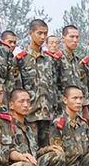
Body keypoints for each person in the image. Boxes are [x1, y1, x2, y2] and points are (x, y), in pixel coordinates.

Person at [8, 88, 65, 166]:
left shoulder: (28, 127)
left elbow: (33, 153)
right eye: (21, 101)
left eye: (28, 102)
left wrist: (47, 149)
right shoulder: (8, 127)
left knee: (57, 155)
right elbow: (11, 159)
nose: (26, 105)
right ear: (11, 105)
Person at [15, 19, 57, 149]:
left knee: (47, 150)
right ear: (31, 33)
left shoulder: (49, 59)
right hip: (29, 114)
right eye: (39, 33)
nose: (43, 37)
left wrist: (55, 109)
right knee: (30, 149)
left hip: (47, 114)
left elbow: (54, 86)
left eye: (45, 33)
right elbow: (16, 87)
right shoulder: (21, 59)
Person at [54, 25, 83, 114]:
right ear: (63, 38)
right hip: (62, 109)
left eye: (77, 37)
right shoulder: (57, 59)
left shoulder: (76, 60)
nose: (75, 40)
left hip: (77, 109)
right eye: (71, 37)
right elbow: (53, 86)